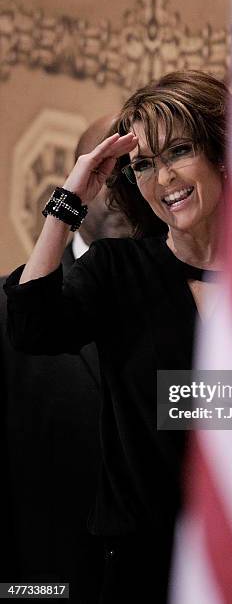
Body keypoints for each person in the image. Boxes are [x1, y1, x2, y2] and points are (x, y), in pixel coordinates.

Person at [4, 70, 229, 603]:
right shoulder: (118, 270)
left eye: (178, 150)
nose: (163, 177)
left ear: (223, 154)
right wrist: (70, 197)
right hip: (141, 567)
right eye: (144, 164)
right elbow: (31, 327)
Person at [0, 116, 133, 602]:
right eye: (110, 172)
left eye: (139, 170)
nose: (123, 191)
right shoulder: (9, 310)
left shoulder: (197, 303)